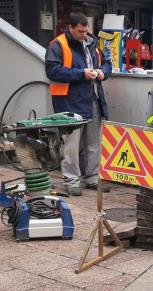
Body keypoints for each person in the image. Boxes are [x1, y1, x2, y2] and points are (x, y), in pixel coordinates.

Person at [45, 12, 112, 196]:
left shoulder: (92, 43)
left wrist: (101, 73)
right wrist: (82, 74)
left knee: (94, 143)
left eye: (86, 31)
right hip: (70, 102)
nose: (84, 35)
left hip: (94, 99)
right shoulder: (58, 45)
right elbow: (53, 71)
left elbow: (107, 64)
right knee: (71, 146)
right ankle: (72, 180)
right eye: (80, 32)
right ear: (71, 28)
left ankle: (92, 178)